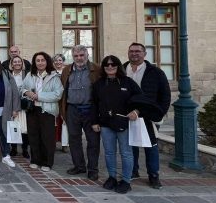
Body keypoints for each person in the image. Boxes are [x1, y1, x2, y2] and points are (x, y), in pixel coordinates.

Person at [92, 55, 142, 194]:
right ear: (103, 67)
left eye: (113, 64)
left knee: (126, 153)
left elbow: (140, 99)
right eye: (107, 65)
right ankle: (112, 177)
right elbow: (94, 104)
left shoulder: (128, 82)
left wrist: (136, 111)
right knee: (109, 152)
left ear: (118, 66)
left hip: (123, 123)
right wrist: (95, 121)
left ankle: (126, 180)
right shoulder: (99, 84)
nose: (110, 67)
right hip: (106, 124)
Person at [125, 42, 171, 188]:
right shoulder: (122, 69)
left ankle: (153, 175)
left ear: (144, 54)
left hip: (148, 115)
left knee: (151, 146)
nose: (134, 54)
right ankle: (133, 171)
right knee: (130, 145)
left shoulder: (155, 72)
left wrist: (159, 113)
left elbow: (165, 95)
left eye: (138, 51)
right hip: (127, 115)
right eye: (132, 51)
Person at [60, 45, 102, 181]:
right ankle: (79, 166)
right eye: (76, 56)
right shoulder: (67, 70)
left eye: (81, 55)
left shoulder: (96, 69)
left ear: (87, 55)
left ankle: (93, 169)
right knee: (74, 139)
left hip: (90, 109)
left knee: (93, 140)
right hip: (72, 109)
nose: (79, 58)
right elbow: (63, 90)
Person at [21, 52, 63, 171]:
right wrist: (26, 92)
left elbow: (57, 94)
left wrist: (39, 96)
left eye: (42, 60)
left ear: (47, 61)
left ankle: (47, 163)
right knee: (33, 136)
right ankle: (35, 160)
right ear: (34, 63)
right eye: (38, 60)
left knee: (47, 138)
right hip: (32, 109)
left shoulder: (54, 76)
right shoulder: (30, 75)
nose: (40, 63)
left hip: (47, 111)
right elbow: (22, 88)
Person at [8, 56, 30, 159]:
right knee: (13, 127)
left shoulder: (27, 74)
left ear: (22, 63)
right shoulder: (8, 75)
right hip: (12, 105)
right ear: (11, 64)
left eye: (19, 62)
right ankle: (14, 148)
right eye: (15, 62)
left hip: (24, 106)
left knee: (24, 129)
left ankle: (25, 149)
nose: (17, 63)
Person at [52, 53, 67, 146]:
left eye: (60, 60)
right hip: (53, 100)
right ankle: (53, 142)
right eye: (56, 60)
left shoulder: (66, 72)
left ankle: (65, 143)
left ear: (63, 61)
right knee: (54, 122)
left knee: (64, 121)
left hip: (64, 100)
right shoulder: (51, 73)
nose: (58, 62)